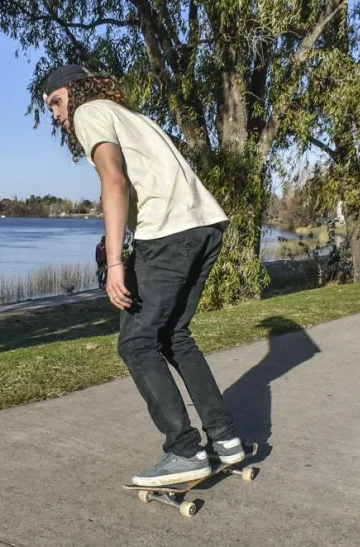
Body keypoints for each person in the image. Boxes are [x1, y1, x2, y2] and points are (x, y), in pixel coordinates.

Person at [40, 64, 246, 487]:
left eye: (56, 102)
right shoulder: (132, 117)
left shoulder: (89, 112)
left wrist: (115, 261)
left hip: (168, 233)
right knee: (174, 336)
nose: (56, 115)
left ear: (74, 91)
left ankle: (185, 449)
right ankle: (225, 439)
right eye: (51, 109)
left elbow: (113, 182)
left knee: (136, 342)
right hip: (205, 227)